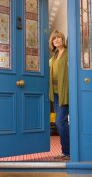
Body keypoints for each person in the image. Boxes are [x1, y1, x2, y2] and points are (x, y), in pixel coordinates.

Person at [49, 30, 70, 160]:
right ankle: (66, 151)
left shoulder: (68, 54)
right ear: (52, 42)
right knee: (61, 122)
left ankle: (68, 152)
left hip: (66, 92)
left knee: (60, 122)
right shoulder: (53, 57)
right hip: (56, 93)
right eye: (54, 38)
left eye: (59, 38)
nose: (57, 40)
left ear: (63, 40)